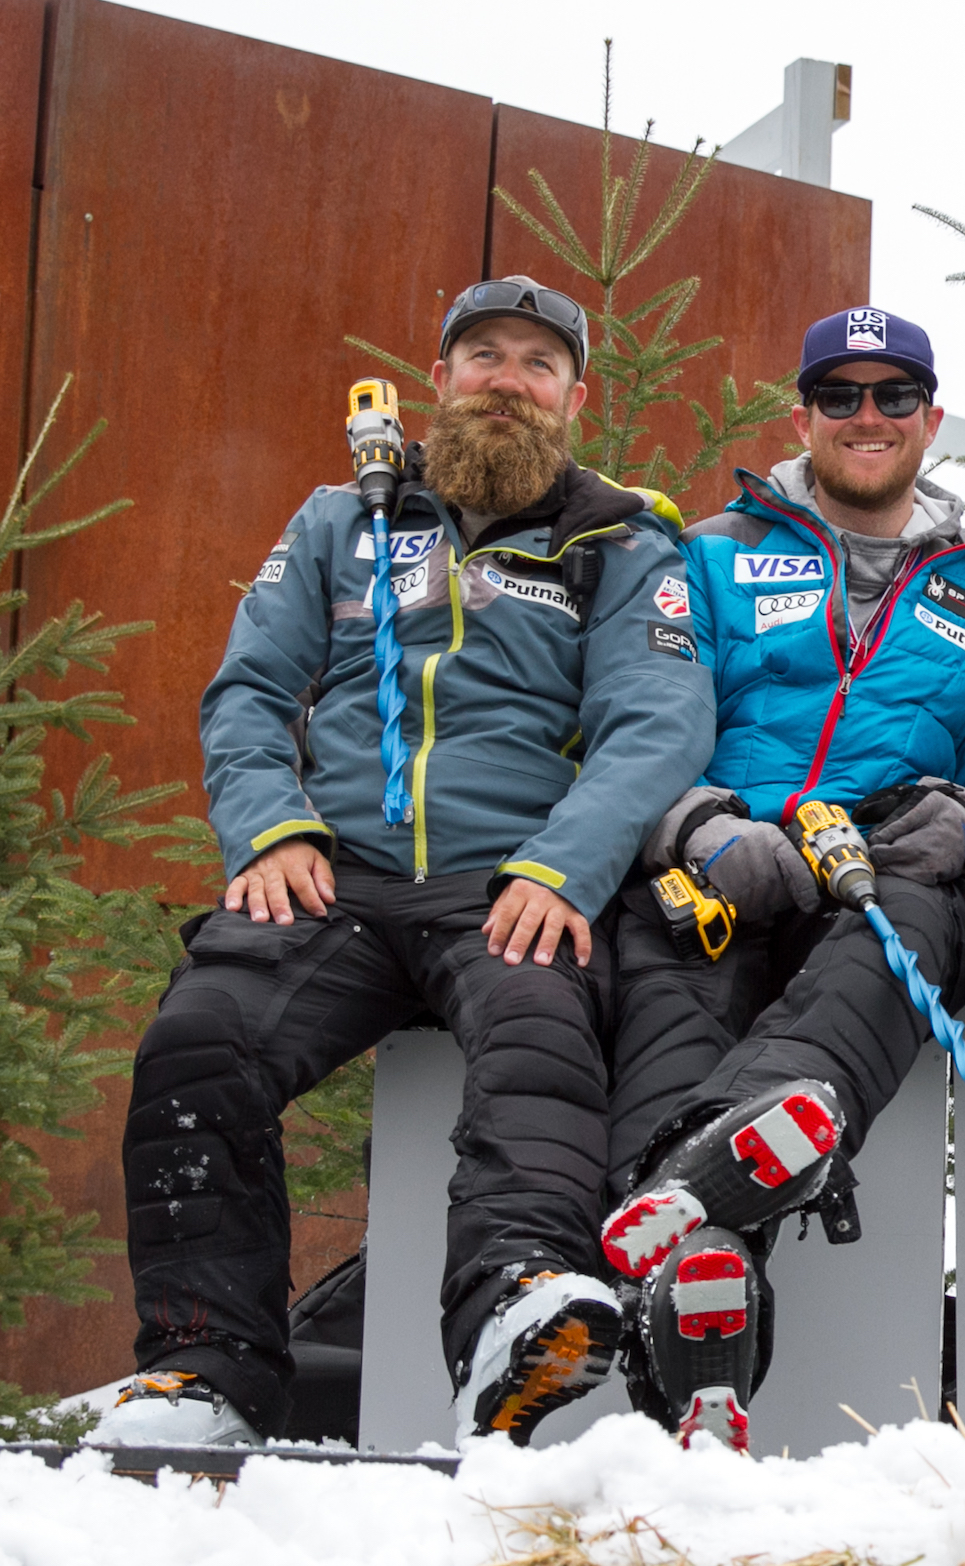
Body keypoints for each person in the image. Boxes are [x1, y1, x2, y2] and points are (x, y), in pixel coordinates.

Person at [93, 277, 716, 1449]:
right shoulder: (345, 521)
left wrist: (563, 867)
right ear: (441, 379)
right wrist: (271, 828)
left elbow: (657, 722)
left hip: (509, 881)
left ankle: (517, 1310)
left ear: (574, 398)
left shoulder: (624, 540)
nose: (507, 381)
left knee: (537, 1046)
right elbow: (248, 695)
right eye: (484, 355)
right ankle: (204, 1373)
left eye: (538, 364)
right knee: (198, 1044)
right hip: (335, 879)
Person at [597, 308, 965, 1452]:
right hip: (727, 861)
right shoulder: (704, 555)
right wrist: (694, 827)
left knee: (907, 935)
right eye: (839, 395)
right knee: (670, 986)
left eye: (894, 396)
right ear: (799, 415)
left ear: (931, 421)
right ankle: (703, 1307)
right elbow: (635, 725)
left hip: (887, 875)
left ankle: (718, 1177)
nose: (866, 416)